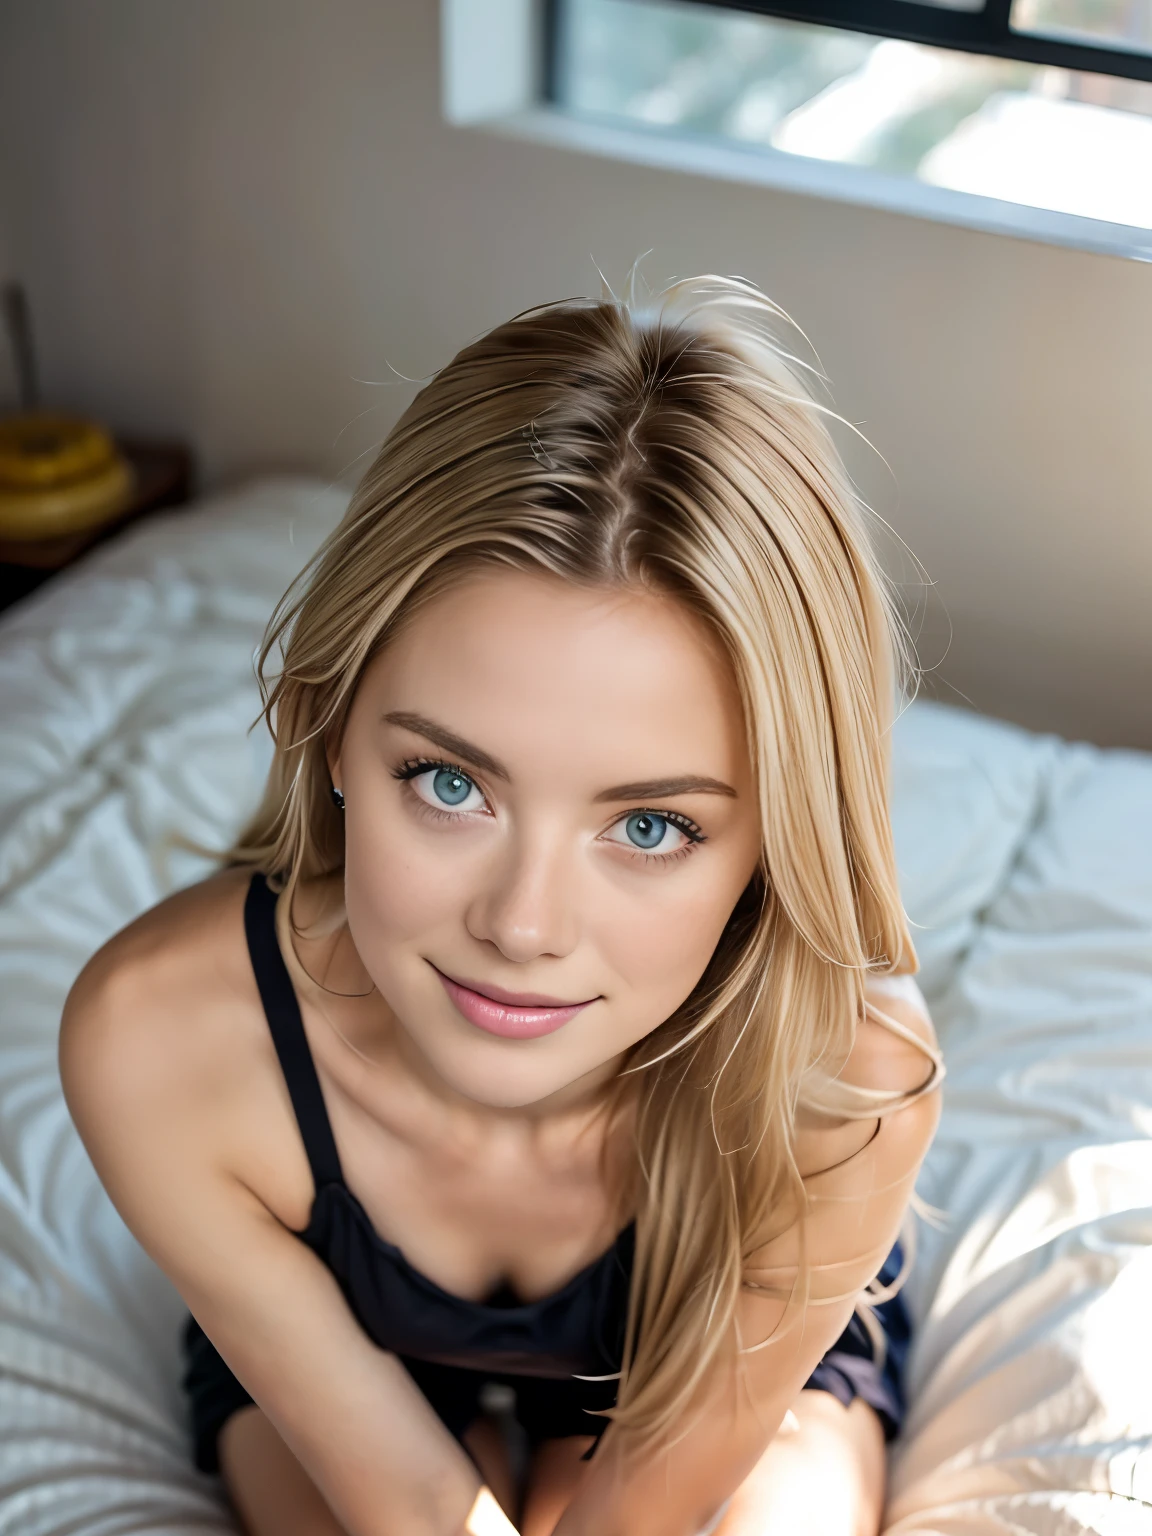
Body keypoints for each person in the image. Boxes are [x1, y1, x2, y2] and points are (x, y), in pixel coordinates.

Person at [59, 276, 943, 1536]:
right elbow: (412, 1505)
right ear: (324, 725)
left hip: (694, 1361)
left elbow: (635, 1515)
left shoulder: (848, 1091)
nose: (523, 929)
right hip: (347, 1369)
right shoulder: (157, 1041)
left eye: (651, 827)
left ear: (777, 836)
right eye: (449, 782)